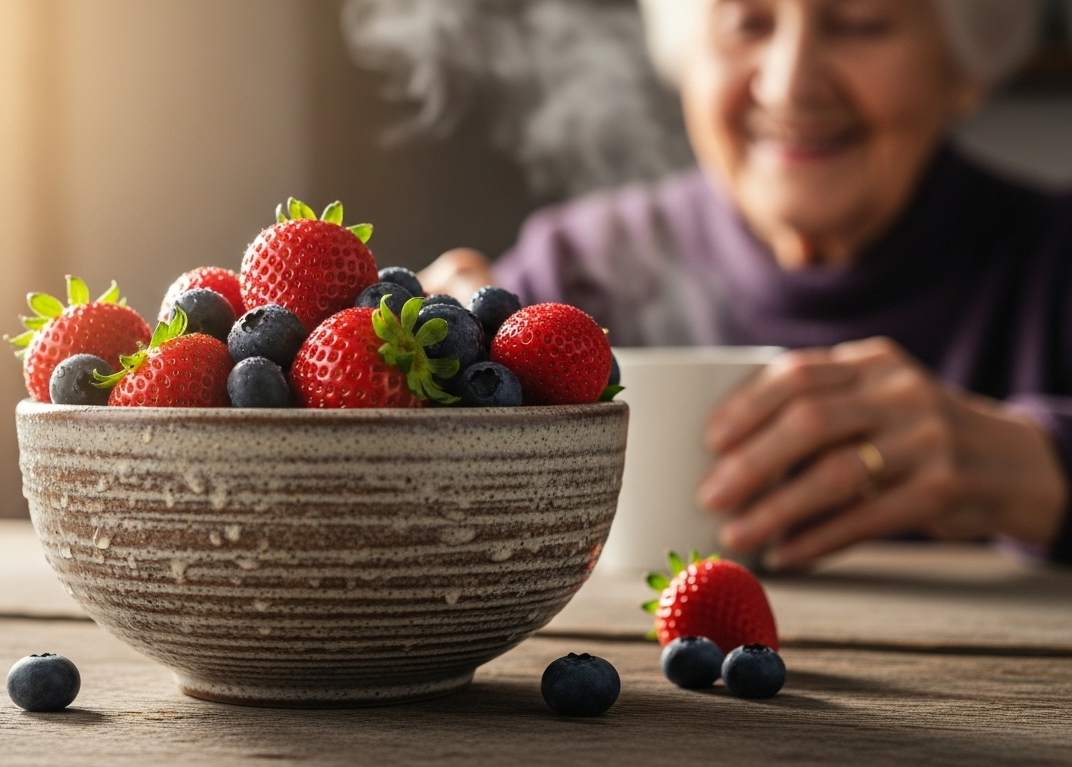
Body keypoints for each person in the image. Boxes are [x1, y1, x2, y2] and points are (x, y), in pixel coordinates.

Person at [418, 0, 1072, 570]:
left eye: (859, 23)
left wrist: (1047, 463)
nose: (790, 86)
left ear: (962, 66)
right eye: (745, 21)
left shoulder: (1053, 262)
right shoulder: (573, 269)